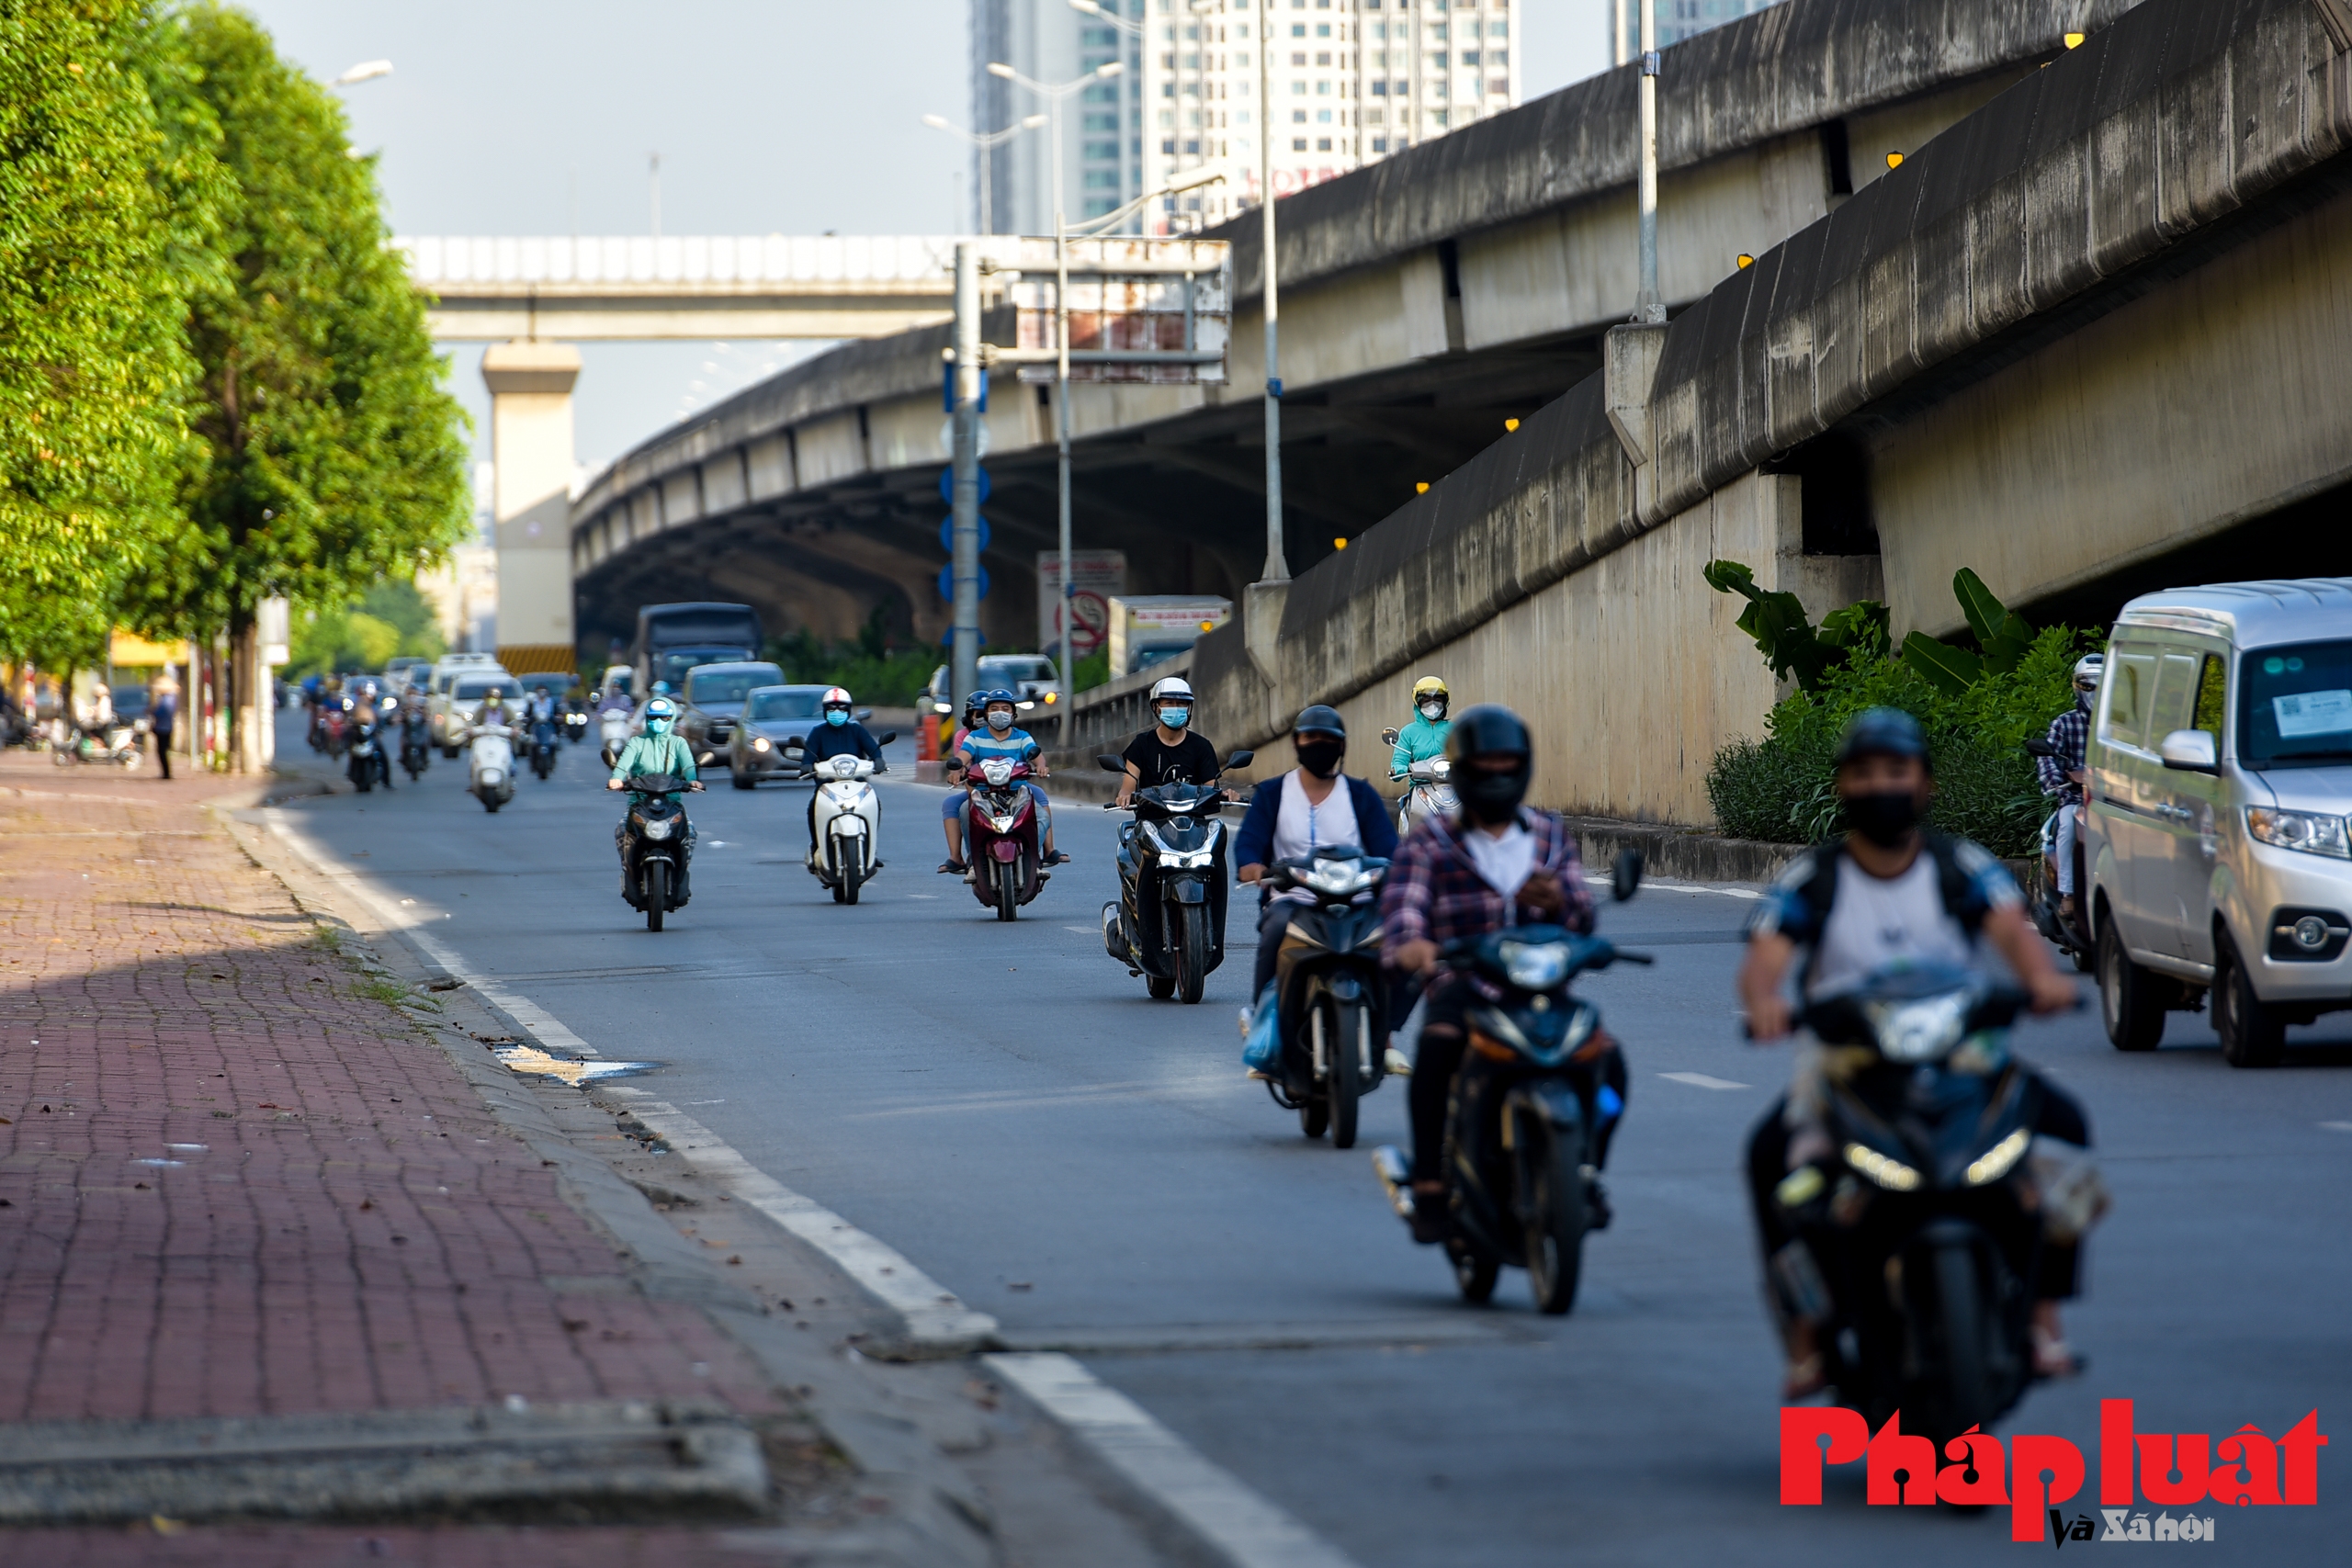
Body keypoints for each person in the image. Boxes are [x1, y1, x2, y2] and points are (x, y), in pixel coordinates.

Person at [1736, 706, 2086, 1396]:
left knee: (2064, 1138)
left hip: (1963, 1055)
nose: (1881, 786)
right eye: (1864, 773)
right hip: (1846, 1063)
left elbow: (2013, 932)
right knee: (1775, 1165)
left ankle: (2043, 1318)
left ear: (1923, 782)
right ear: (1843, 786)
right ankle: (1806, 1336)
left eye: (1896, 771)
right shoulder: (1815, 878)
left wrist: (2042, 984)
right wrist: (1766, 1002)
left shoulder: (1962, 866)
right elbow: (1765, 954)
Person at [1378, 705, 1621, 1240]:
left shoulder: (1548, 836)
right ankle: (1430, 1186)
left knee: (1607, 1061)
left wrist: (1559, 901)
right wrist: (1414, 946)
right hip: (1465, 986)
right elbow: (1404, 906)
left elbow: (1582, 914)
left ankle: (1584, 1171)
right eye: (1484, 765)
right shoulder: (1432, 841)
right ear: (1464, 770)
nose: (1495, 775)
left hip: (1540, 988)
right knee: (1437, 1053)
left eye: (1506, 764)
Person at [1237, 704, 1399, 1003]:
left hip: (1356, 900)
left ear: (1341, 746)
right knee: (1275, 930)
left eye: (1327, 739)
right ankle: (1261, 1013)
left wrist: (1396, 870)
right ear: (1296, 742)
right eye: (1309, 737)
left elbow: (1389, 849)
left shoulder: (1361, 795)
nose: (1318, 745)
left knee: (1396, 937)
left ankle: (1385, 1026)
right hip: (1293, 899)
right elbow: (1249, 842)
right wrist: (1252, 867)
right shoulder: (1272, 793)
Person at [942, 690, 1065, 874]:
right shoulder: (974, 737)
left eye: (1005, 709)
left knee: (1041, 816)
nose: (1000, 712)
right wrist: (956, 770)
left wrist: (1041, 766)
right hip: (983, 793)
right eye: (995, 708)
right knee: (964, 812)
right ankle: (975, 863)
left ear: (1013, 713)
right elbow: (962, 756)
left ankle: (1031, 860)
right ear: (987, 713)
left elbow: (1036, 755)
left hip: (1018, 792)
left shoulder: (1022, 736)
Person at [606, 695, 704, 895]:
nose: (658, 722)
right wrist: (616, 778)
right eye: (654, 717)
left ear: (672, 719)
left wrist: (692, 780)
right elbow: (623, 766)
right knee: (621, 831)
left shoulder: (679, 743)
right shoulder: (636, 743)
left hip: (672, 803)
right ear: (647, 719)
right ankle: (629, 871)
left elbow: (688, 767)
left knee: (691, 833)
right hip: (640, 803)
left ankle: (681, 872)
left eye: (665, 718)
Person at [2038, 654, 2103, 924]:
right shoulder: (2064, 724)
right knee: (2066, 829)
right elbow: (2047, 757)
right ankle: (2068, 893)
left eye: (2101, 686)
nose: (2095, 693)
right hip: (2075, 800)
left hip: (2110, 800)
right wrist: (2056, 780)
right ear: (2077, 686)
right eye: (2089, 686)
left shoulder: (2118, 728)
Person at [799, 686, 888, 860]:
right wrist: (807, 766)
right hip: (827, 786)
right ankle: (817, 846)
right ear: (825, 711)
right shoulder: (818, 732)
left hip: (857, 785)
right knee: (813, 809)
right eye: (832, 709)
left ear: (848, 710)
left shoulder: (857, 730)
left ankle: (869, 849)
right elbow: (808, 756)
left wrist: (878, 760)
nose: (837, 712)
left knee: (874, 804)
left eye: (841, 708)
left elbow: (873, 749)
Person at [1115, 676, 1225, 805]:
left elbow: (1211, 788)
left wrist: (1224, 794)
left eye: (1181, 704)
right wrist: (1124, 795)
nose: (1176, 708)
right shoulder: (1141, 744)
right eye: (1169, 703)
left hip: (1192, 819)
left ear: (1189, 707)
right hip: (1150, 819)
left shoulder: (1201, 746)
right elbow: (1128, 785)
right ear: (1156, 707)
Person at [1390, 676, 1452, 778]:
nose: (1432, 704)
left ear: (1444, 702)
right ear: (1418, 702)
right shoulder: (1408, 732)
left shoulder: (1455, 729)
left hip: (1454, 785)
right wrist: (1398, 768)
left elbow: (1468, 753)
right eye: (1426, 699)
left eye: (1437, 699)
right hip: (1421, 786)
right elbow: (1400, 759)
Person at [149, 671, 179, 780]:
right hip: (165, 726)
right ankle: (165, 772)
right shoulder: (170, 698)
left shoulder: (167, 699)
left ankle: (166, 773)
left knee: (162, 750)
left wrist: (153, 712)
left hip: (163, 727)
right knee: (162, 750)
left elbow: (162, 711)